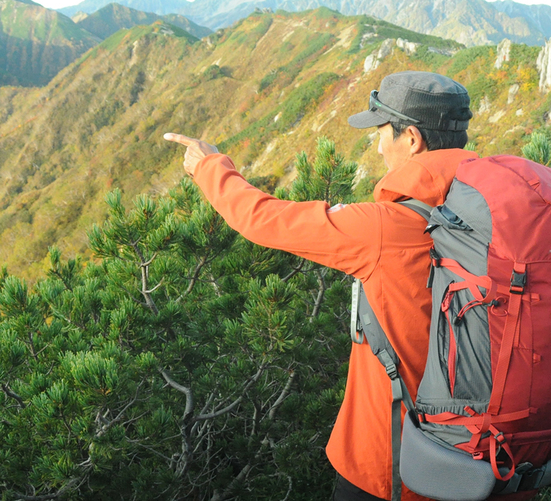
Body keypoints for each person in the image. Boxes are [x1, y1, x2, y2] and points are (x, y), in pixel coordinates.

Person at [165, 71, 476, 501]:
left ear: (413, 140)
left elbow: (266, 220)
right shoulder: (505, 220)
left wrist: (210, 167)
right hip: (487, 456)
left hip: (394, 464)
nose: (379, 145)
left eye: (383, 132)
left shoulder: (386, 228)